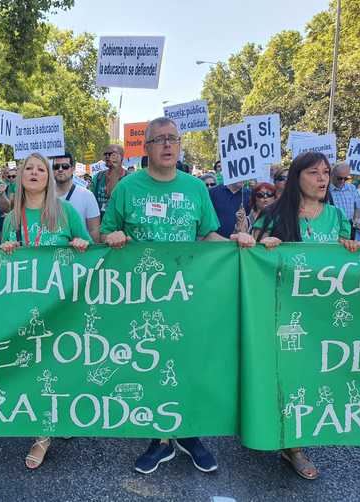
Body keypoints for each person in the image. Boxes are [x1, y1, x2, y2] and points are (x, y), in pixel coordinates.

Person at [100, 117, 254, 476]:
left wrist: (233, 242)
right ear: (147, 147)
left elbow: (208, 236)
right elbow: (106, 232)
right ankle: (160, 438)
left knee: (188, 362)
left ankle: (189, 432)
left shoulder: (195, 188)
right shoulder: (127, 188)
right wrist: (112, 238)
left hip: (188, 294)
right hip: (141, 295)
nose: (168, 145)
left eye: (174, 139)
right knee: (151, 363)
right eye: (160, 140)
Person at [253, 152, 360, 480]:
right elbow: (249, 260)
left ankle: (294, 436)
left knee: (312, 377)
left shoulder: (337, 216)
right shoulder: (272, 215)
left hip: (322, 315)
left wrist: (350, 248)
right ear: (297, 176)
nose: (322, 179)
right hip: (282, 314)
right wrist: (264, 247)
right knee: (287, 376)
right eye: (314, 172)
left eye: (326, 173)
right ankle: (292, 446)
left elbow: (346, 260)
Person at [0, 152, 91, 470]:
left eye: (42, 169)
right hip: (27, 308)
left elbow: (89, 251)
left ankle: (44, 435)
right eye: (29, 169)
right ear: (21, 177)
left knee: (58, 367)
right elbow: (3, 271)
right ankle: (48, 423)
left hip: (63, 305)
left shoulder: (65, 211)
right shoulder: (12, 218)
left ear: (49, 177)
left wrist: (81, 244)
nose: (35, 173)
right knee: (35, 369)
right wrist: (7, 250)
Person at [51, 152, 100, 242]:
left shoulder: (87, 196)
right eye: (56, 167)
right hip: (51, 252)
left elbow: (94, 230)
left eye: (65, 166)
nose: (60, 169)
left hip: (80, 252)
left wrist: (93, 253)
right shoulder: (44, 195)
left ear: (72, 169)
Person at [90, 144, 126, 217]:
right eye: (105, 154)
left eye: (111, 154)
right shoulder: (98, 177)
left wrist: (115, 168)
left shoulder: (129, 178)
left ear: (121, 157)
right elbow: (90, 201)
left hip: (122, 223)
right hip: (102, 223)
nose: (107, 156)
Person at [329, 162, 360, 239]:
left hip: (349, 226)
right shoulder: (325, 190)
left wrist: (356, 220)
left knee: (348, 250)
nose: (343, 181)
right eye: (339, 178)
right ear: (332, 175)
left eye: (346, 178)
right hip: (333, 226)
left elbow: (357, 206)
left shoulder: (352, 188)